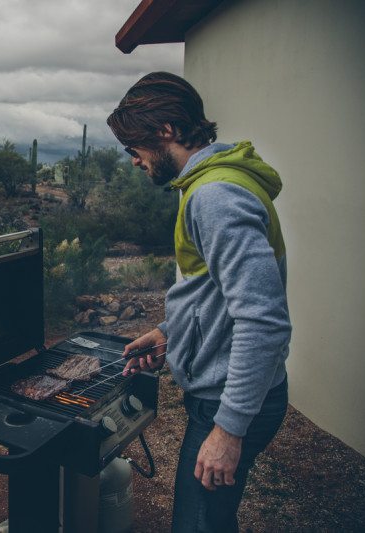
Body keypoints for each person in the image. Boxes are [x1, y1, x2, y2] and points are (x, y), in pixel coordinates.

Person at [106, 72, 291, 532]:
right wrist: (171, 333)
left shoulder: (214, 196)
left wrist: (228, 430)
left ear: (165, 132)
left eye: (135, 148)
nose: (134, 161)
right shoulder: (212, 182)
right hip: (227, 391)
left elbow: (263, 321)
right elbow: (216, 292)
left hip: (226, 400)